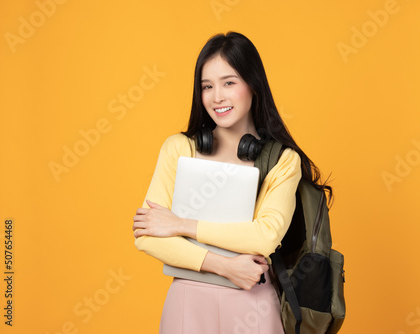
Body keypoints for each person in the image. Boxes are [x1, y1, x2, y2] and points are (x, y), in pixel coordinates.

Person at [132, 31, 327, 334]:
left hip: (255, 305)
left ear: (253, 85)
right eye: (207, 86)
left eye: (229, 83)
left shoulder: (281, 159)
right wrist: (223, 266)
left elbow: (264, 237)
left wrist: (180, 224)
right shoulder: (179, 148)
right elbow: (147, 235)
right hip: (187, 302)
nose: (217, 96)